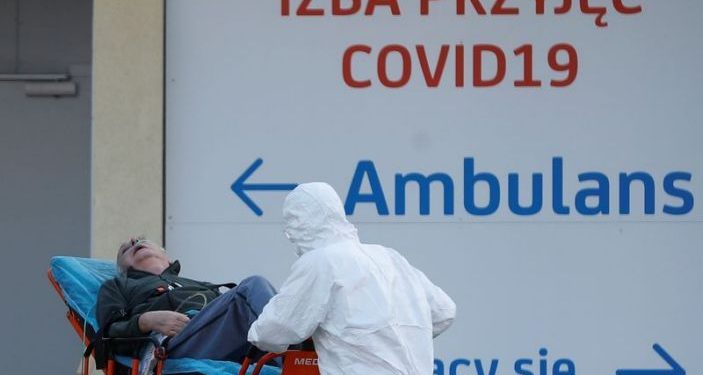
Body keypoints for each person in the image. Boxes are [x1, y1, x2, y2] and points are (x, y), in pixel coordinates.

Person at [248, 182, 456, 375]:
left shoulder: (321, 261)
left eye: (292, 221)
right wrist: (395, 340)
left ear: (304, 221)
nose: (290, 234)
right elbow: (444, 311)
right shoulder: (390, 257)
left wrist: (254, 333)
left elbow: (274, 331)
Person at [96, 237, 276, 367]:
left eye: (143, 239)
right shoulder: (117, 285)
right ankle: (297, 356)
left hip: (222, 339)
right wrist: (146, 320)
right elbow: (107, 334)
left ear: (168, 259)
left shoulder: (203, 286)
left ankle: (293, 355)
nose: (134, 240)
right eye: (125, 249)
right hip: (171, 349)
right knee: (253, 286)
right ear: (122, 269)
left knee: (273, 308)